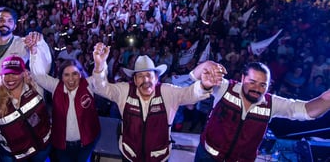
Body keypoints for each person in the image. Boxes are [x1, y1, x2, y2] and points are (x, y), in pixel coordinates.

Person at [91, 42, 224, 162]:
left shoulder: (167, 92)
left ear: (156, 78)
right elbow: (101, 88)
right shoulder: (124, 91)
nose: (146, 80)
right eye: (140, 76)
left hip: (158, 158)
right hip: (129, 156)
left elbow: (190, 94)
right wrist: (99, 65)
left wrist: (204, 86)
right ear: (135, 80)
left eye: (149, 75)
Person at [192, 61, 330, 162]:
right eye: (252, 82)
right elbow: (193, 77)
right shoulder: (225, 88)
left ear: (268, 86)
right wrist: (207, 65)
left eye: (262, 85)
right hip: (207, 157)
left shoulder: (272, 103)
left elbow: (307, 111)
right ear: (242, 79)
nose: (256, 88)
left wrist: (327, 98)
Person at [30, 46, 101, 162]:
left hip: (86, 143)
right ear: (61, 76)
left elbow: (100, 79)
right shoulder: (56, 87)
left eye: (75, 74)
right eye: (66, 75)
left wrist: (100, 63)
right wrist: (34, 53)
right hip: (62, 145)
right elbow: (38, 76)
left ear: (81, 74)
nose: (71, 79)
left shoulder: (88, 85)